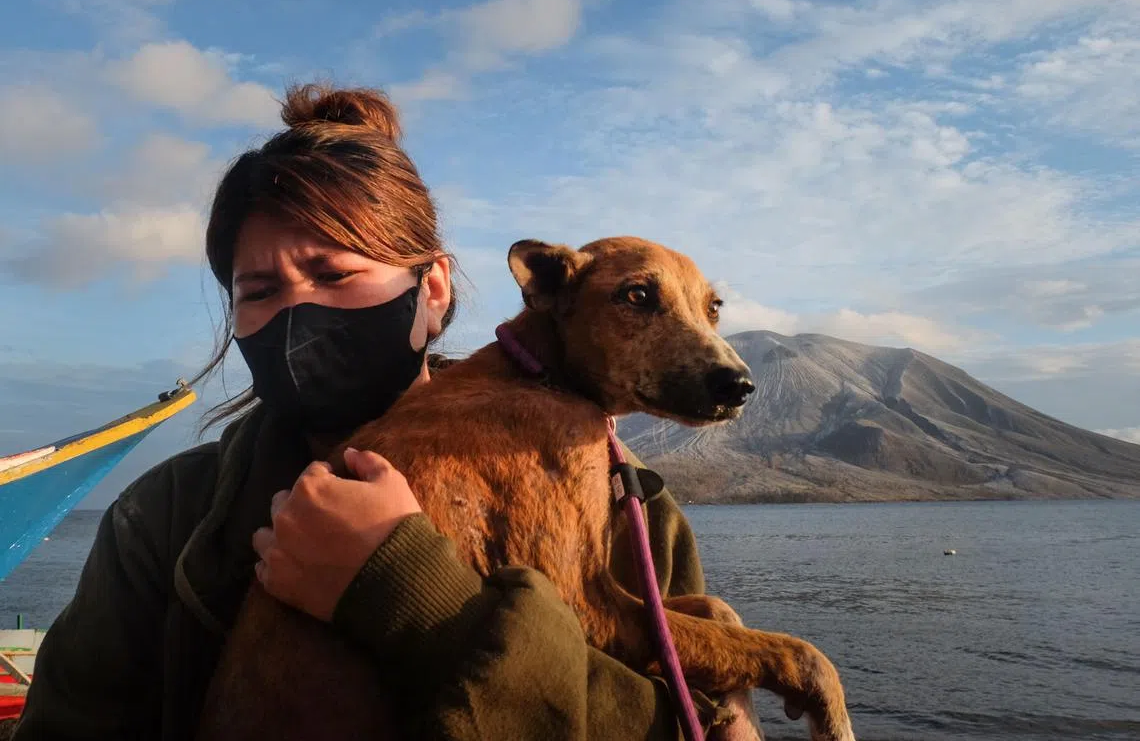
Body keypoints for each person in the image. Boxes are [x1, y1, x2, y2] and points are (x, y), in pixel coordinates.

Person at [12, 83, 760, 740]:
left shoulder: (633, 510)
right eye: (259, 291)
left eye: (335, 274)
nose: (298, 311)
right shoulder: (169, 520)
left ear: (431, 290)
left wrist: (417, 605)